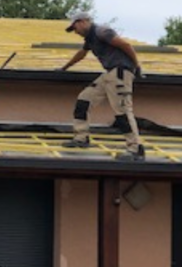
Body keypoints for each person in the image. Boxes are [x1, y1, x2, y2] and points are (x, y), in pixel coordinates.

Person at [59, 11, 145, 161]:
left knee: (122, 111)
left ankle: (135, 149)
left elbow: (126, 45)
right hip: (109, 74)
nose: (75, 32)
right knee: (84, 100)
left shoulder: (102, 32)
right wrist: (64, 68)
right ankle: (81, 138)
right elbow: (81, 54)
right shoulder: (90, 38)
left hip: (120, 73)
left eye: (75, 28)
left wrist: (136, 66)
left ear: (82, 22)